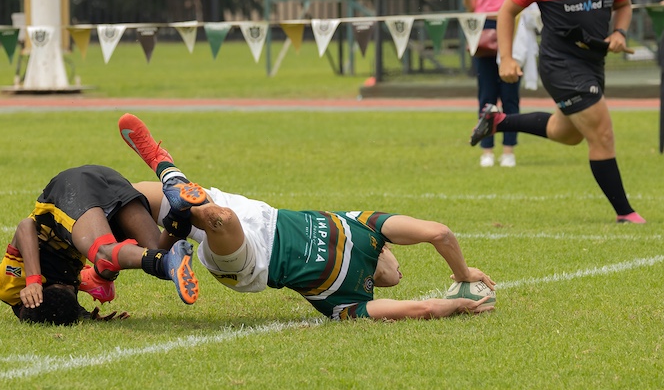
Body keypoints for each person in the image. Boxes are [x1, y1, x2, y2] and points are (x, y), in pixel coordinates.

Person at [119, 113, 496, 321]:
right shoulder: (365, 224)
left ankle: (170, 176)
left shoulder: (351, 304)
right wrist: (464, 274)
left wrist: (458, 304)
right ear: (388, 248)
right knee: (131, 199)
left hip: (254, 262)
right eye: (400, 268)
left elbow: (423, 308)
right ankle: (166, 219)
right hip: (261, 213)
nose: (399, 278)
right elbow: (439, 233)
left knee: (220, 217)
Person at [470, 0, 646, 224]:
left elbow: (624, 5)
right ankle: (625, 212)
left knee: (568, 133)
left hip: (594, 63)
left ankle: (498, 121)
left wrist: (619, 32)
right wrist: (506, 58)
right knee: (602, 133)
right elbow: (507, 11)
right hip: (560, 63)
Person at [0, 165, 199, 325]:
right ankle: (178, 212)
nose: (69, 286)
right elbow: (91, 282)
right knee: (157, 249)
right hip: (106, 183)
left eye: (62, 287)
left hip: (69, 191)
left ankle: (164, 262)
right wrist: (88, 317)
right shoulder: (62, 294)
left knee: (103, 254)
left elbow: (25, 226)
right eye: (71, 291)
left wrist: (33, 280)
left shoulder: (9, 289)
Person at [457, 0, 528, 168]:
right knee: (486, 92)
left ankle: (509, 149)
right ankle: (486, 149)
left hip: (511, 27)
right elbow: (471, 4)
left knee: (510, 92)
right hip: (484, 28)